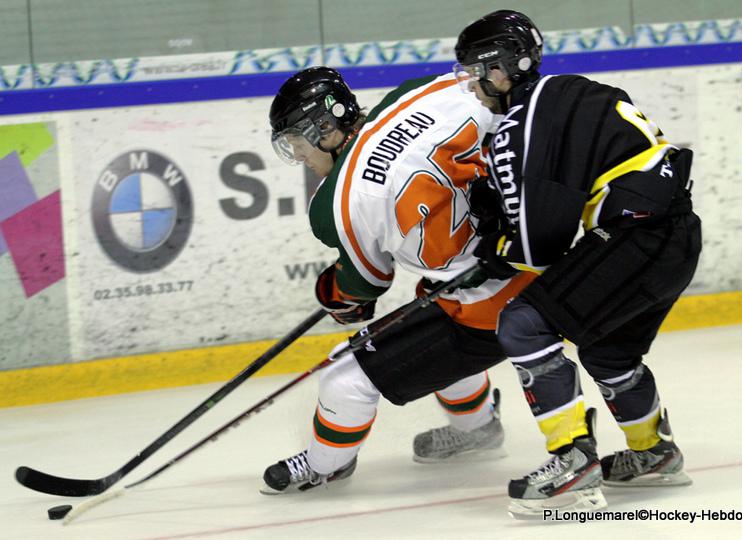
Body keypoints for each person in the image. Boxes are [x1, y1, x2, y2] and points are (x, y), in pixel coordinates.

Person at [454, 10, 701, 518]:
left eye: (475, 72)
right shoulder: (570, 90)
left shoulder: (519, 124)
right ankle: (654, 453)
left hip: (638, 233)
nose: (472, 85)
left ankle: (573, 462)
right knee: (609, 352)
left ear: (502, 68)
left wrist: (494, 249)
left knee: (523, 325)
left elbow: (537, 248)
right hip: (677, 234)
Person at [261, 66, 534, 494]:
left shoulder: (335, 201)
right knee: (430, 304)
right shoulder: (423, 93)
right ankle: (478, 429)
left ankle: (325, 465)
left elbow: (366, 286)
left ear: (326, 130)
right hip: (541, 263)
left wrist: (334, 292)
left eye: (298, 144)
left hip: (487, 306)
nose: (300, 159)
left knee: (344, 377)